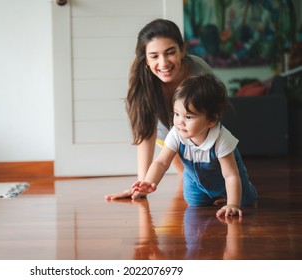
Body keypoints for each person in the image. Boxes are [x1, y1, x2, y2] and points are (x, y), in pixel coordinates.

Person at [108, 73, 257, 217]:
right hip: (195, 181)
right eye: (176, 114)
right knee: (195, 203)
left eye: (189, 117)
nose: (180, 122)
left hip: (224, 179)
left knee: (244, 199)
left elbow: (230, 175)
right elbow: (161, 162)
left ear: (211, 121)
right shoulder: (177, 132)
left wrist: (233, 204)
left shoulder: (221, 139)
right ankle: (210, 196)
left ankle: (235, 195)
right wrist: (149, 182)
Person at [107, 19, 213, 200]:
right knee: (187, 178)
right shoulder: (143, 80)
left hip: (200, 131)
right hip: (167, 134)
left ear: (182, 50)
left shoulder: (200, 73)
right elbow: (146, 132)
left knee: (204, 182)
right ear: (146, 59)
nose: (163, 63)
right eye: (154, 56)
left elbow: (211, 122)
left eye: (170, 53)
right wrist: (141, 185)